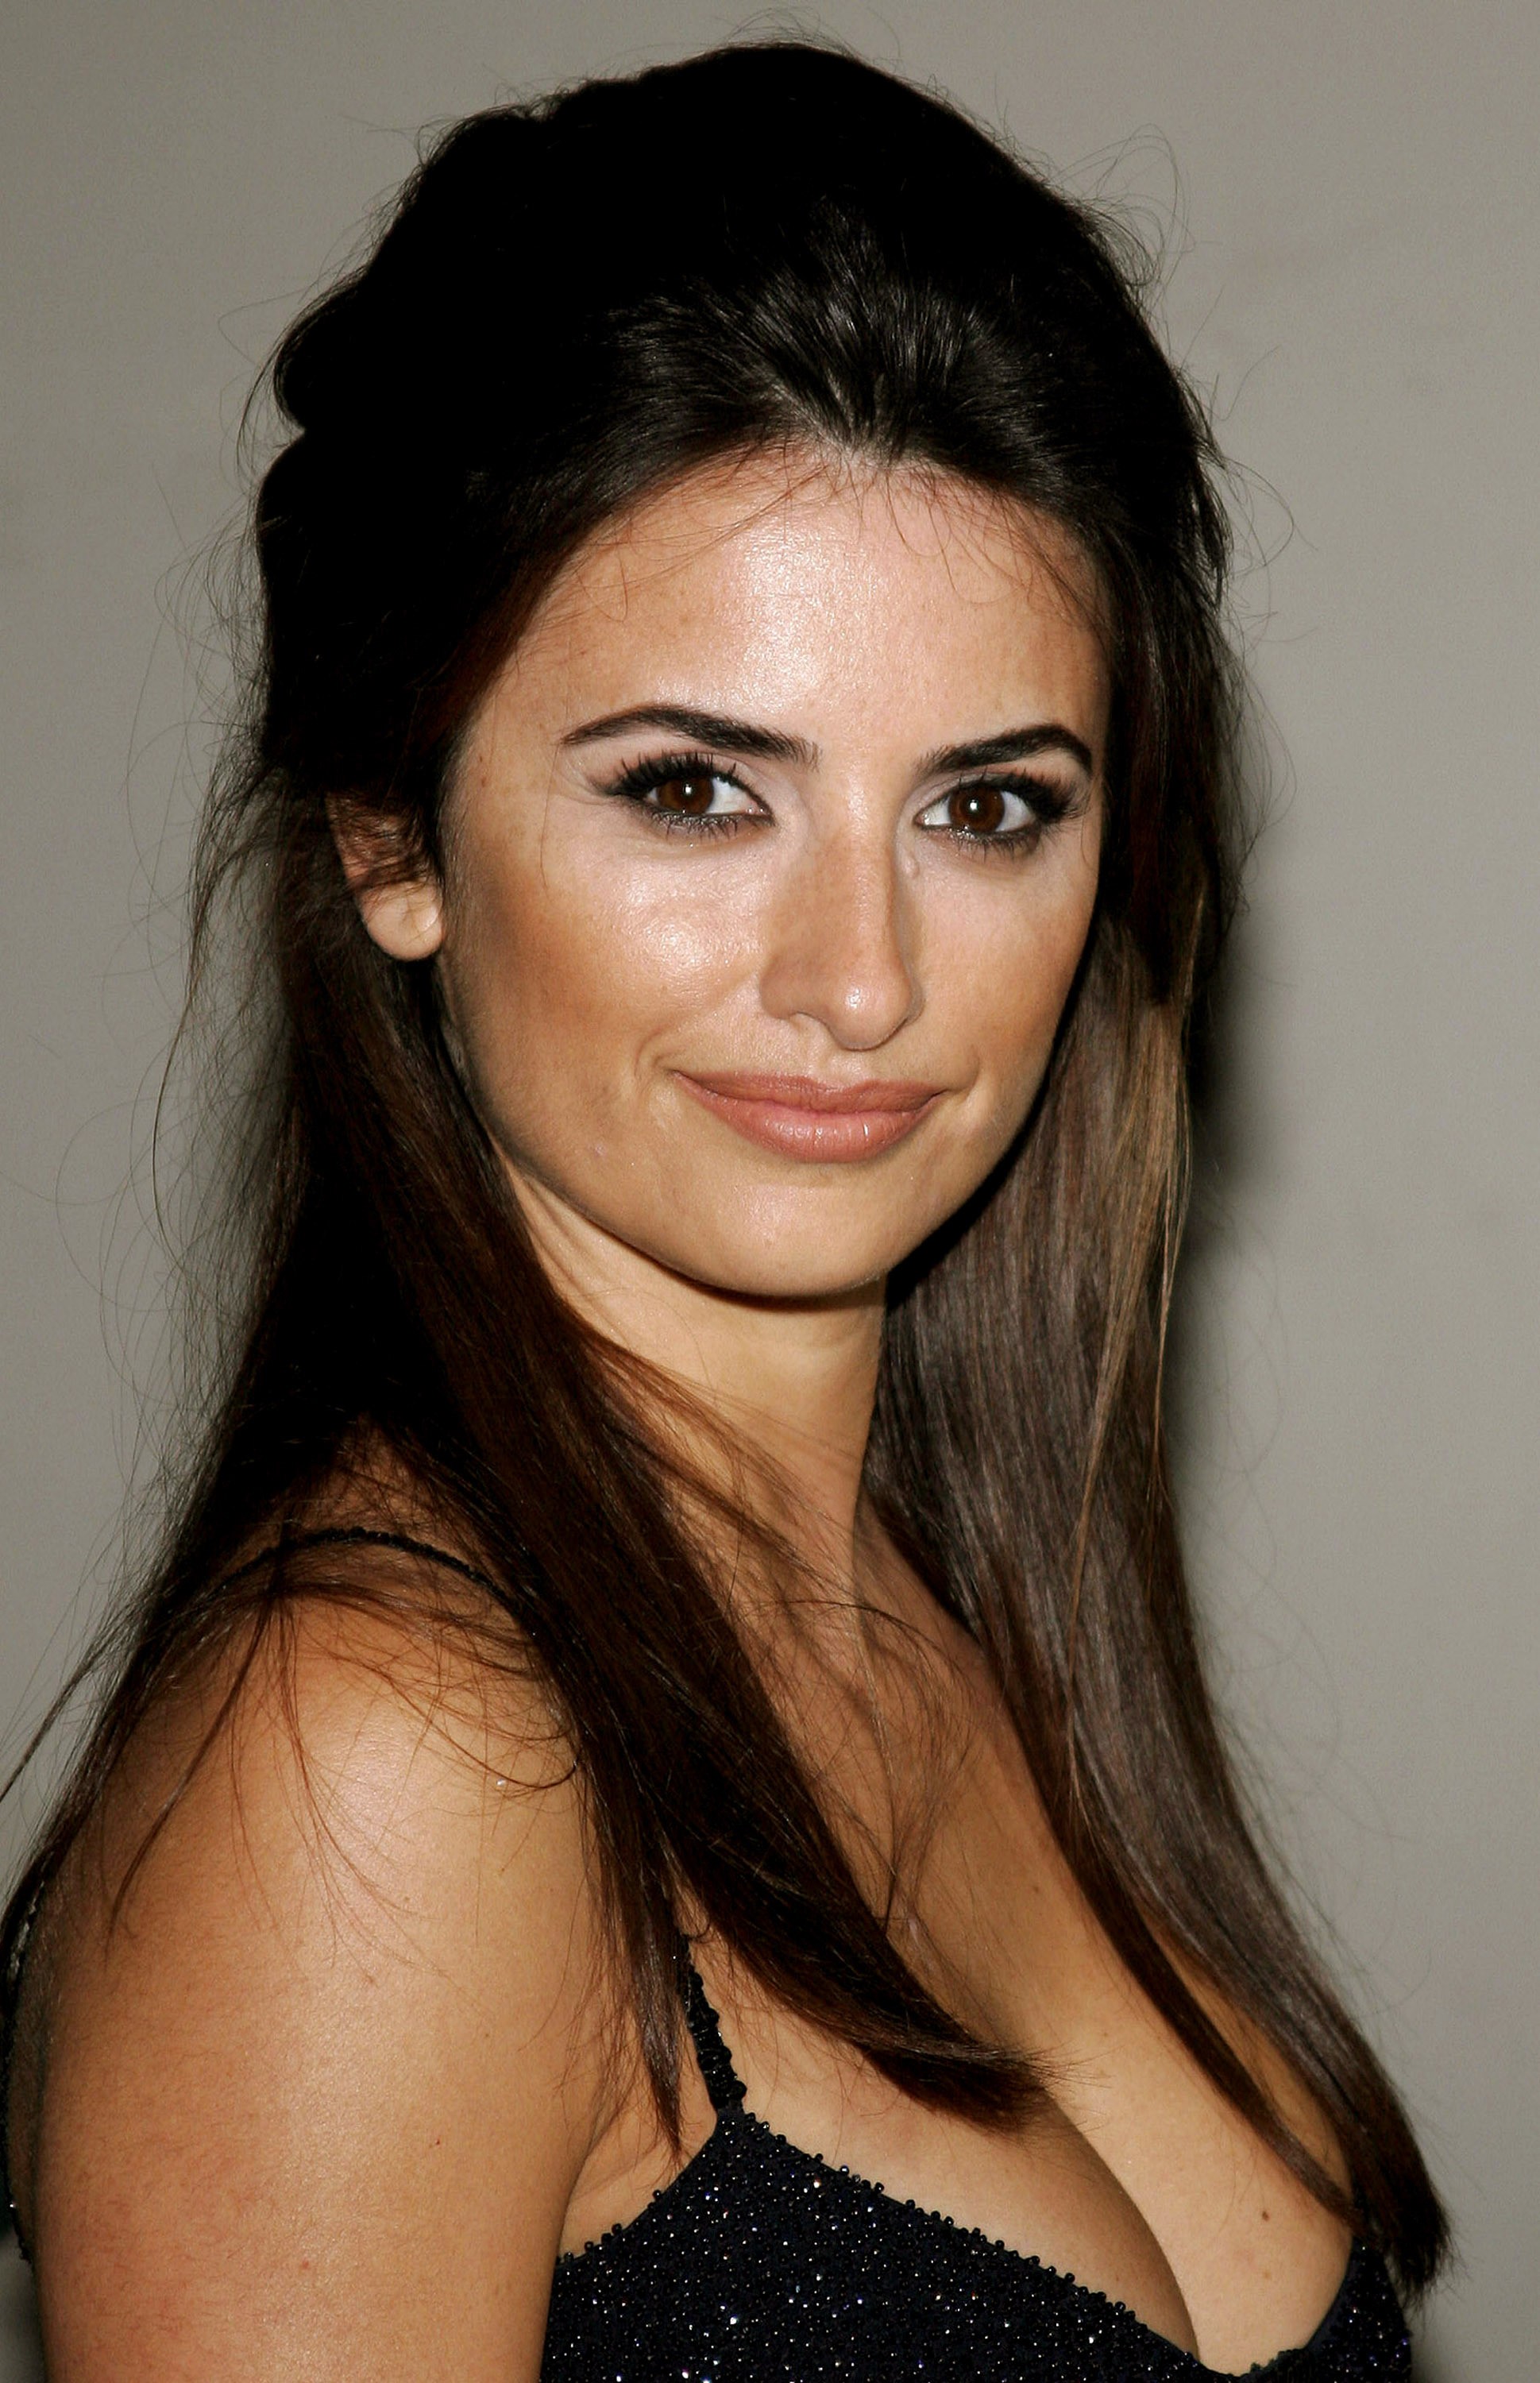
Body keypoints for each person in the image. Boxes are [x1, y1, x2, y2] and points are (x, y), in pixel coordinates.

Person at [0, 41, 1445, 2380]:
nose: (861, 981)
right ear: (388, 835)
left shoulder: (954, 1610)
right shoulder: (380, 1764)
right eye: (693, 790)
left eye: (986, 808)